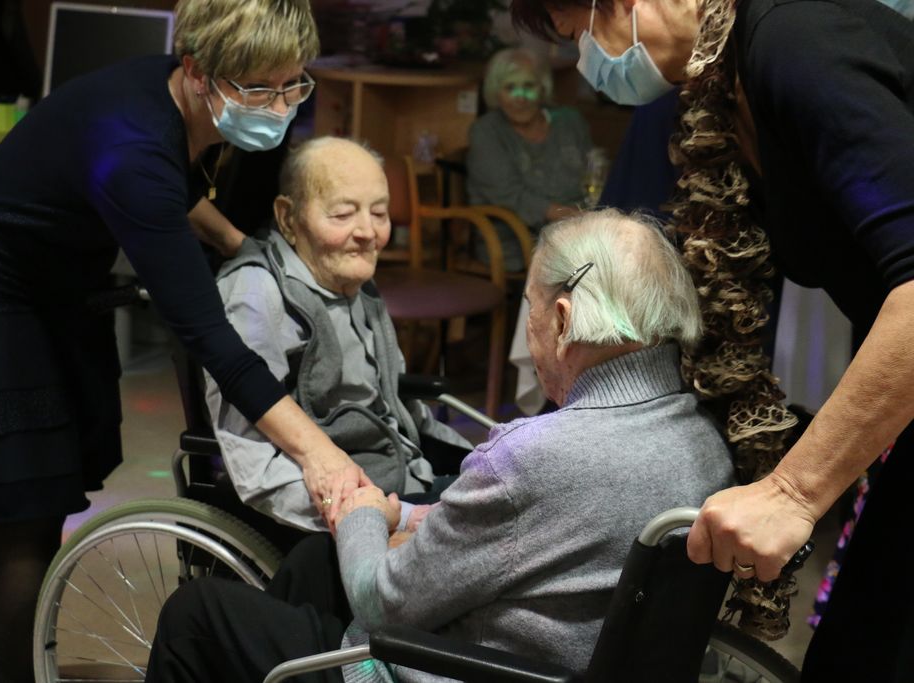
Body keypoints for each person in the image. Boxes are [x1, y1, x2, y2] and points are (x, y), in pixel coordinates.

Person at [0, 1, 372, 681]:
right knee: (28, 503)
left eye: (292, 84)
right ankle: (9, 659)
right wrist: (320, 455)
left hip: (44, 281)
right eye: (258, 89)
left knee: (8, 484)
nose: (278, 105)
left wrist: (238, 244)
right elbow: (212, 340)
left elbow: (173, 191)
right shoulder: (133, 146)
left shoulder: (167, 95)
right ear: (198, 71)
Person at [143, 208, 735, 682]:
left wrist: (361, 513)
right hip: (576, 656)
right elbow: (548, 536)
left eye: (528, 310)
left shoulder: (535, 457)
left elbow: (382, 605)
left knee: (197, 614)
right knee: (314, 564)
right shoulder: (704, 443)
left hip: (461, 665)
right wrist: (406, 516)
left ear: (561, 321)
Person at [509, 0, 914, 678]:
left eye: (578, 32)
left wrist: (792, 492)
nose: (585, 61)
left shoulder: (794, 38)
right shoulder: (722, 94)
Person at [205, 137, 471, 535]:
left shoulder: (352, 282)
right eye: (343, 214)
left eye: (379, 213)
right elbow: (254, 465)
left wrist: (482, 461)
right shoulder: (256, 295)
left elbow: (401, 412)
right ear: (287, 218)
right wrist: (384, 516)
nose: (368, 232)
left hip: (402, 477)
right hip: (341, 513)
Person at [466, 47, 594, 271]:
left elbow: (594, 174)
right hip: (518, 240)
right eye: (510, 88)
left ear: (543, 87)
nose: (520, 98)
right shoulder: (486, 132)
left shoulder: (570, 122)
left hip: (580, 231)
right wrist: (574, 218)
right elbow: (510, 196)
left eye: (528, 86)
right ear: (496, 92)